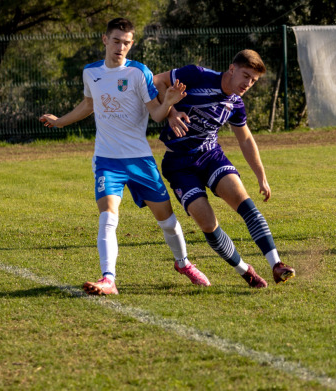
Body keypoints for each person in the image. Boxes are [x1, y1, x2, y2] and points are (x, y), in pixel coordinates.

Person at [39, 17, 211, 295]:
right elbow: (88, 104)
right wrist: (59, 121)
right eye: (116, 41)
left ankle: (183, 263)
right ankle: (108, 278)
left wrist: (167, 103)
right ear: (105, 40)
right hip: (107, 160)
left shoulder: (139, 73)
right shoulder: (90, 72)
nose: (121, 47)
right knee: (108, 215)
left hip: (140, 160)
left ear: (131, 45)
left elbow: (155, 114)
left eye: (126, 43)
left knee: (167, 220)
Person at [153, 50, 295, 289]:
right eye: (245, 75)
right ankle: (245, 271)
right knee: (207, 223)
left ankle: (276, 264)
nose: (248, 84)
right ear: (231, 68)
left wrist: (262, 177)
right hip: (178, 163)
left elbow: (246, 139)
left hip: (210, 156)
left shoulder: (235, 104)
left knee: (245, 203)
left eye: (253, 81)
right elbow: (156, 80)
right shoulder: (196, 75)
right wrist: (171, 112)